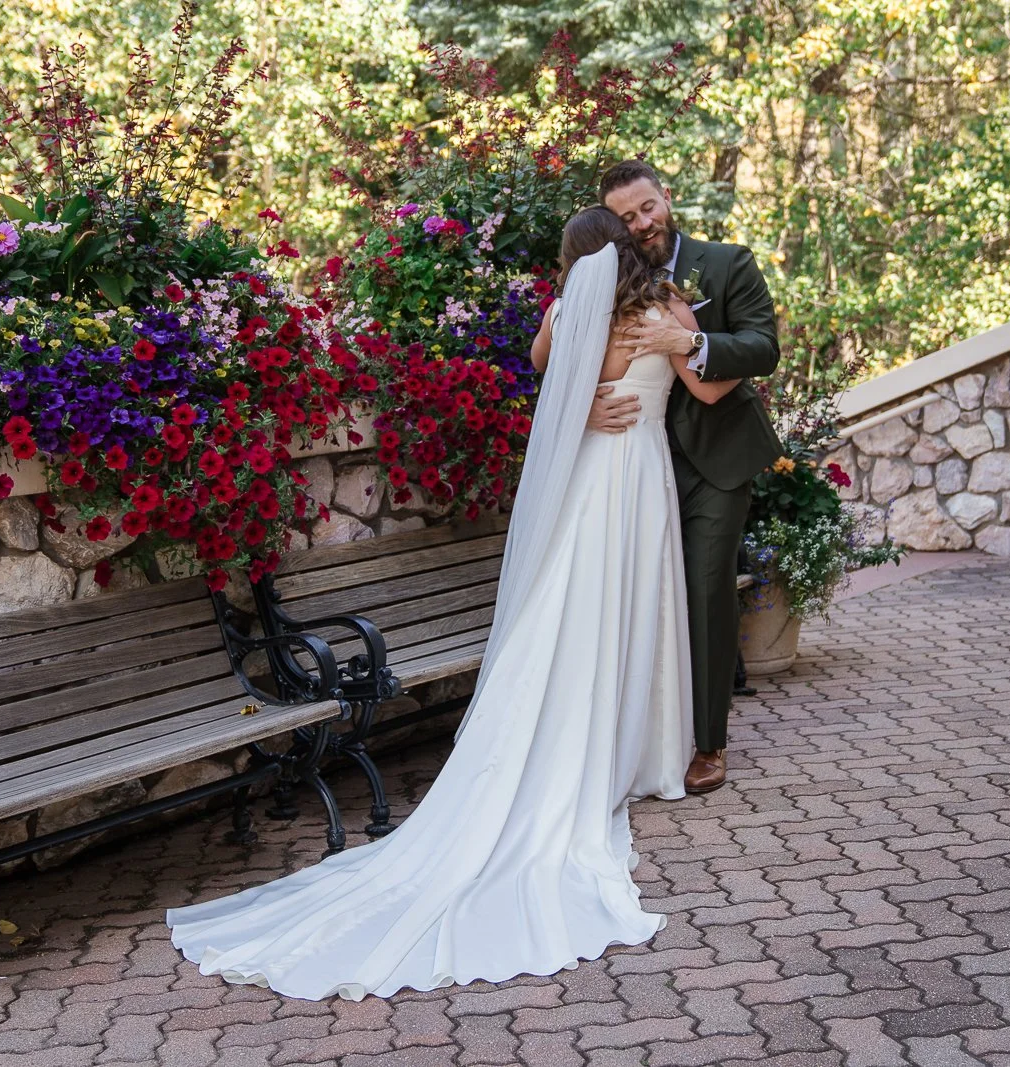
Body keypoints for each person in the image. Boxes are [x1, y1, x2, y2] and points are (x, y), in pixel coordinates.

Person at [166, 207, 739, 1001]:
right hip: (637, 481)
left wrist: (584, 404)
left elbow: (547, 389)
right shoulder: (666, 311)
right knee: (629, 610)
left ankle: (592, 746)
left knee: (576, 615)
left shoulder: (563, 314)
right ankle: (640, 753)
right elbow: (708, 387)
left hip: (589, 484)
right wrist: (690, 348)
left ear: (575, 260)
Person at [595, 160, 784, 795]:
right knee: (640, 593)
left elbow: (762, 346)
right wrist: (588, 406)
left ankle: (707, 744)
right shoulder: (603, 278)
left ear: (666, 197)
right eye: (626, 217)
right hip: (632, 461)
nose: (641, 223)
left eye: (647, 207)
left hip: (717, 461)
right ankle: (647, 737)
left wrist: (690, 343)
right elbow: (566, 361)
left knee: (704, 591)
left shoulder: (727, 264)